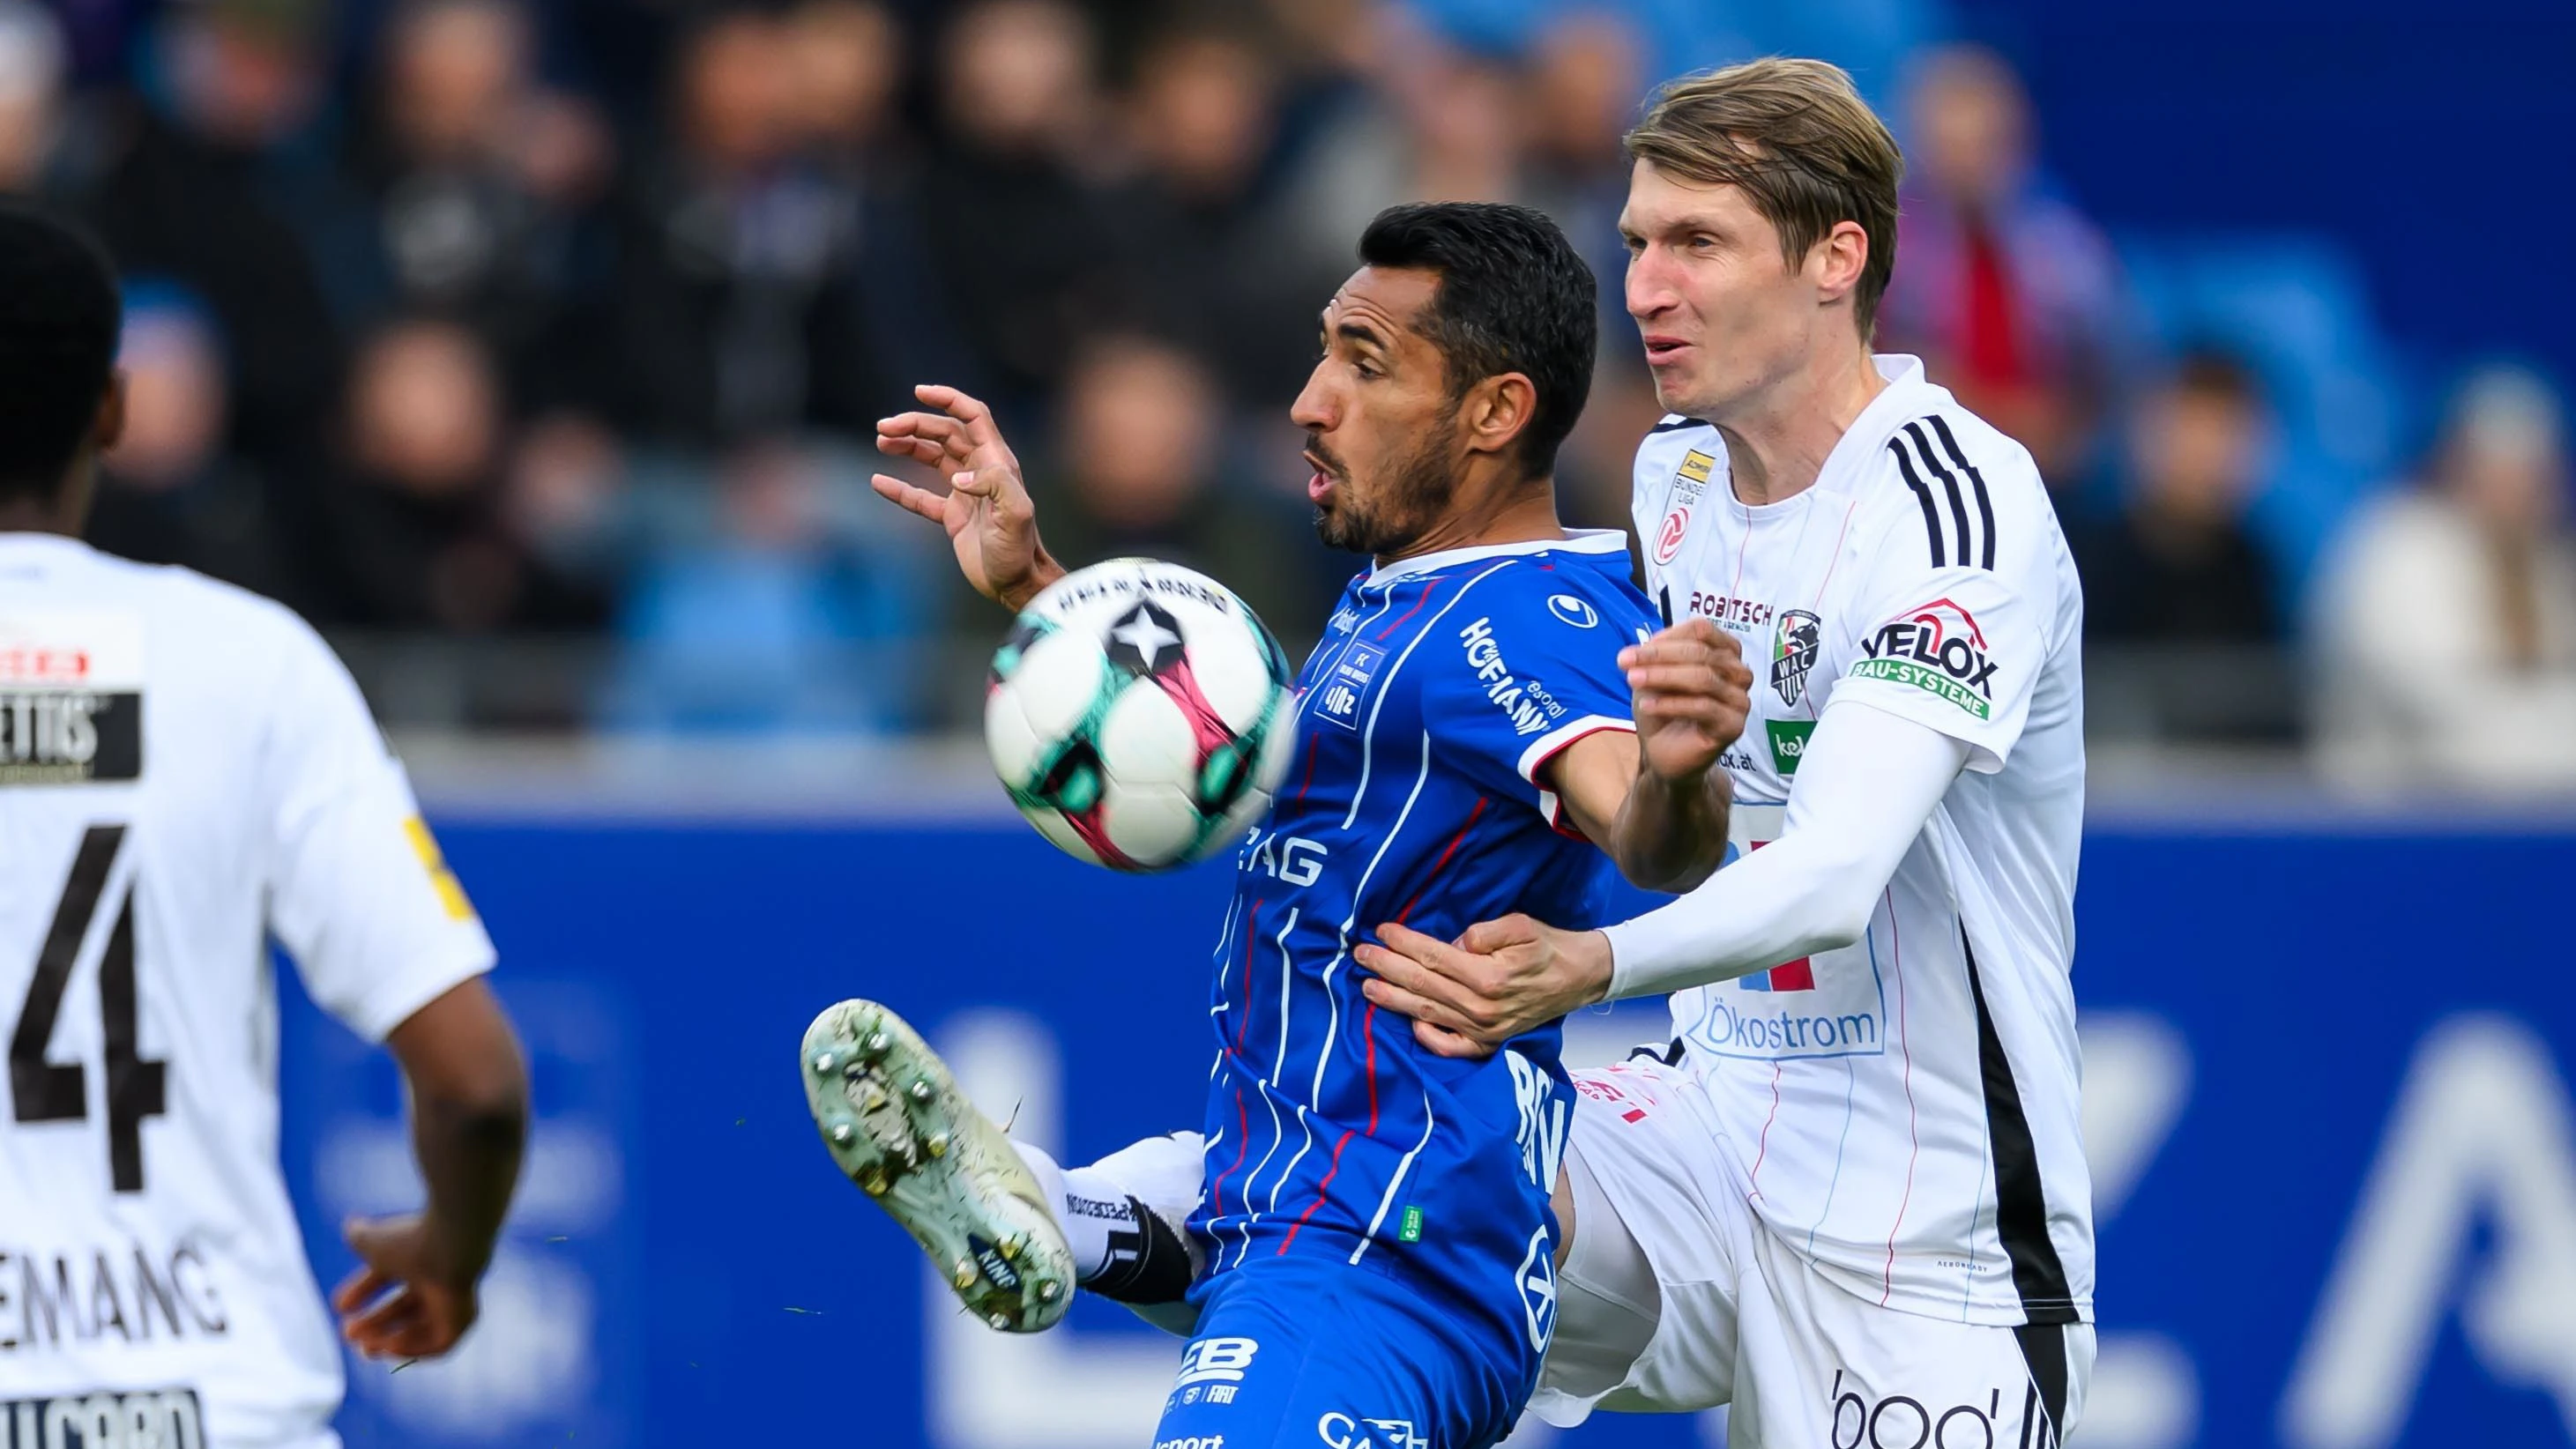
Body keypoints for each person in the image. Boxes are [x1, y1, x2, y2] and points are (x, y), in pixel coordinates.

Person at [805, 201, 1750, 1449]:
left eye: (1364, 365)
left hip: (1376, 1256)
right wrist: (1048, 595)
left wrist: (1680, 776)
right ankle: (1065, 1213)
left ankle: (1063, 1209)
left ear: (1493, 412)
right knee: (1218, 1161)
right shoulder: (1401, 596)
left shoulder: (1521, 620)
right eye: (1321, 355)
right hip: (1305, 1211)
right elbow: (1253, 762)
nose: (1309, 400)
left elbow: (1645, 833)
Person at [1358, 59, 2096, 1446]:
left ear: (1836, 257)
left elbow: (1829, 876)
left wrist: (1587, 964)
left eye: (1695, 243)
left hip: (1928, 1247)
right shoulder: (1674, 476)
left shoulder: (1957, 510)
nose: (1643, 287)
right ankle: (1073, 1216)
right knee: (1392, 1169)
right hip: (1709, 1143)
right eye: (1636, 242)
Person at [0, 204, 527, 1446]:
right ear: (113, 412)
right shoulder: (247, 664)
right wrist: (451, 1250)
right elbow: (477, 1085)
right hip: (207, 1395)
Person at [2314, 365, 2576, 793]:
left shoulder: (2551, 564)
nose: (2513, 486)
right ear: (2456, 461)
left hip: (2536, 826)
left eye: (2530, 470)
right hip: (2396, 827)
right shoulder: (2395, 548)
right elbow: (2449, 722)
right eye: (2495, 466)